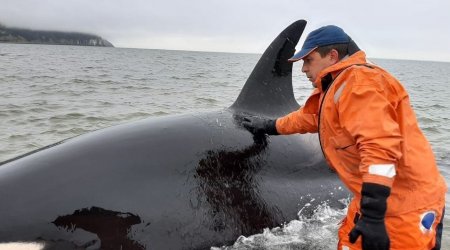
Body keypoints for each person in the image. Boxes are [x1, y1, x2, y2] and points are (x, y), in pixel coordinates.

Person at [242, 25, 447, 250]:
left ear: (332, 56)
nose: (303, 69)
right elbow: (310, 118)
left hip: (405, 206)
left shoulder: (360, 83)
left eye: (308, 60)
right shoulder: (336, 86)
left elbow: (380, 148)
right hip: (373, 199)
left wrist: (373, 214)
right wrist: (270, 125)